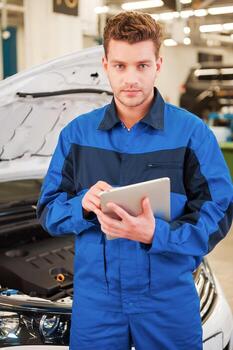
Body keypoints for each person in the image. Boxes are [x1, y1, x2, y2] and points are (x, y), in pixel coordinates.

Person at [36, 11, 233, 350]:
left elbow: (219, 211)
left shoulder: (191, 133)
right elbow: (48, 210)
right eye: (120, 66)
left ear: (158, 64)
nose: (131, 78)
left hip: (167, 297)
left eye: (142, 65)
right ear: (105, 64)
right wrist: (81, 205)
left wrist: (157, 234)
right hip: (97, 301)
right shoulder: (76, 135)